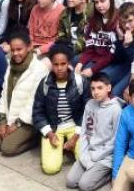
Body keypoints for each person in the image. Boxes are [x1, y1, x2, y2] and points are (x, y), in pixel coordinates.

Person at [33, 45, 92, 175]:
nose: (59, 68)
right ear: (51, 65)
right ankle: (62, 148)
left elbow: (88, 110)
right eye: (55, 64)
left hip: (76, 126)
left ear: (69, 63)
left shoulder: (80, 81)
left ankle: (70, 147)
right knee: (50, 168)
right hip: (54, 128)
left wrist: (76, 136)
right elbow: (37, 112)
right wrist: (49, 133)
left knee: (87, 161)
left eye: (63, 64)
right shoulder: (45, 84)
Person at [0, 31, 48, 157]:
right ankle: (13, 133)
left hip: (27, 120)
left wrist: (17, 124)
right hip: (11, 115)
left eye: (19, 49)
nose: (15, 53)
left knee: (7, 149)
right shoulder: (10, 66)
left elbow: (34, 102)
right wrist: (3, 121)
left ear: (29, 47)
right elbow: (4, 95)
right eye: (13, 50)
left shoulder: (39, 69)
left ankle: (36, 138)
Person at [64, 73, 123, 191]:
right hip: (88, 152)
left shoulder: (116, 109)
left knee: (84, 185)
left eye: (100, 88)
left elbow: (115, 139)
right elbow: (84, 132)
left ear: (109, 88)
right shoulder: (90, 104)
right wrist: (84, 154)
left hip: (104, 157)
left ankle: (107, 174)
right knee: (70, 182)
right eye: (93, 88)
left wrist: (95, 156)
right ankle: (90, 171)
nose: (96, 92)